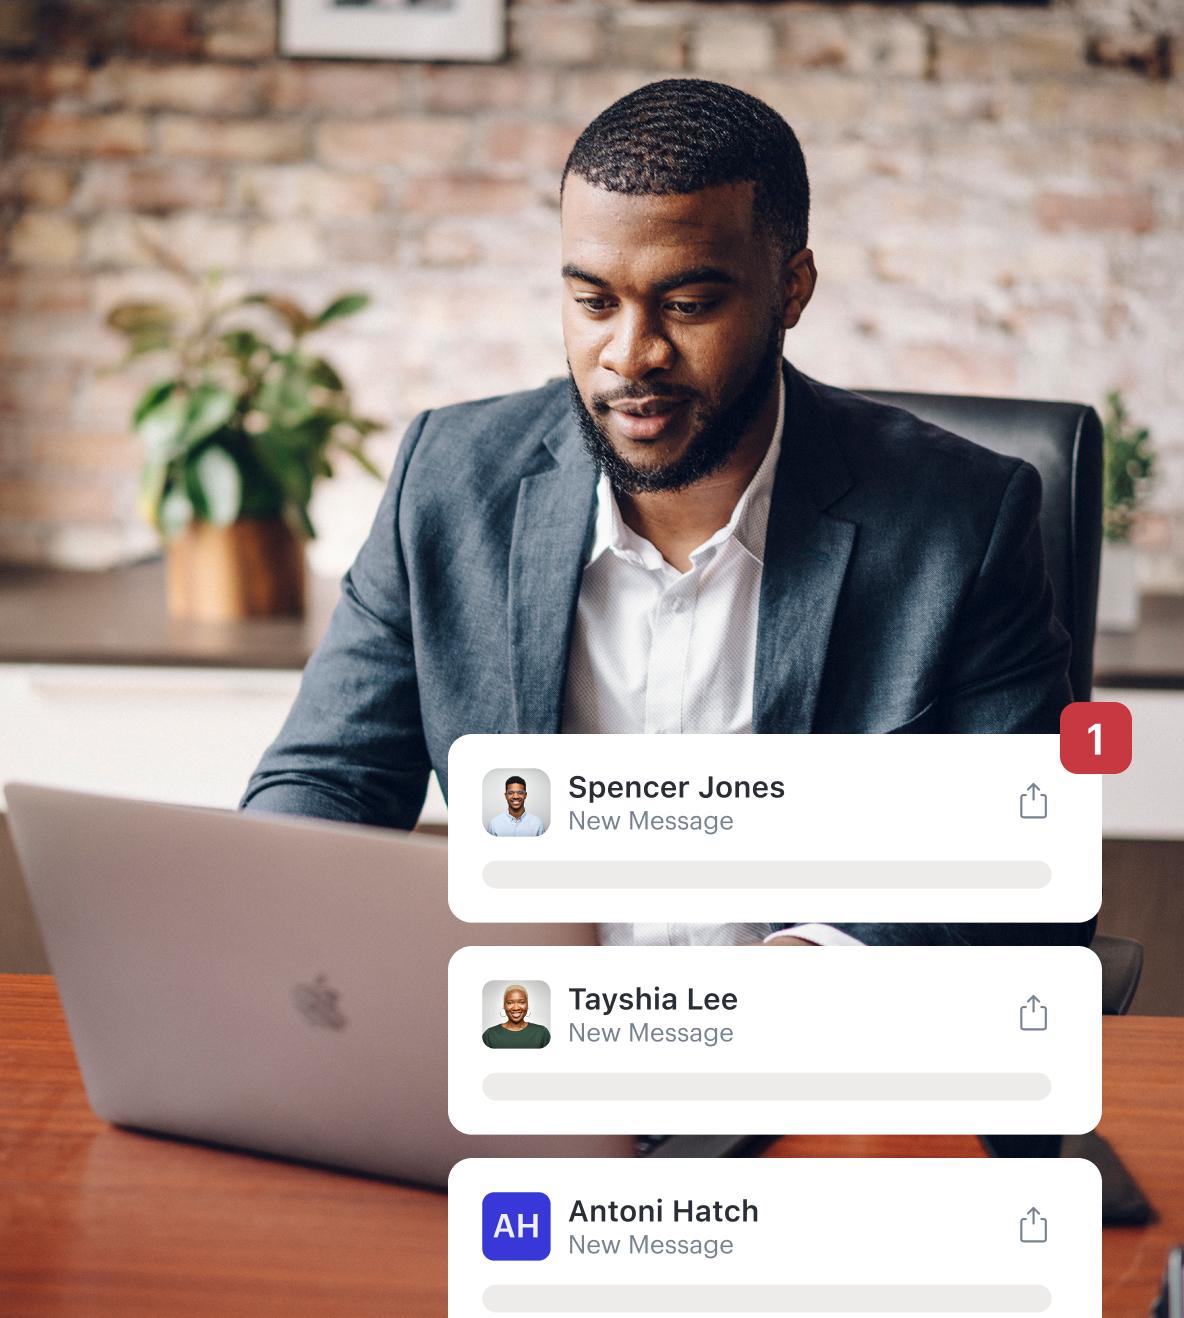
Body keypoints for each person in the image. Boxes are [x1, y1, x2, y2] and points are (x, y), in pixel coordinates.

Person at [242, 78, 1091, 951]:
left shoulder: (961, 519)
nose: (630, 354)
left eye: (686, 306)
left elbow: (1031, 860)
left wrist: (814, 967)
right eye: (593, 302)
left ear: (791, 289)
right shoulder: (450, 482)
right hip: (528, 1039)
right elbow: (325, 780)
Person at [482, 985, 551, 1049]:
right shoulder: (490, 1035)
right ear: (504, 1006)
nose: (516, 1008)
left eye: (521, 1002)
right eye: (510, 1003)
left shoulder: (542, 1033)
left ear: (527, 1005)